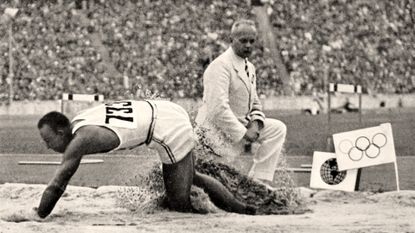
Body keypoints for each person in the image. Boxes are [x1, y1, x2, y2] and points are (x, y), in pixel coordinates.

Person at [22, 99, 256, 220]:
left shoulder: (79, 141)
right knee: (191, 176)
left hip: (166, 128)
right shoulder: (81, 119)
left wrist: (38, 214)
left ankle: (225, 215)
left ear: (61, 132)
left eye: (48, 139)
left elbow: (58, 184)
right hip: (165, 110)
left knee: (179, 204)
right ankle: (242, 210)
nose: (47, 145)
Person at [195, 19, 287, 188]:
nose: (248, 45)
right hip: (214, 135)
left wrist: (256, 123)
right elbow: (217, 110)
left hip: (240, 127)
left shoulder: (250, 67)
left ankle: (259, 182)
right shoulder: (220, 66)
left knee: (277, 129)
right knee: (216, 186)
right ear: (231, 40)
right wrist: (244, 133)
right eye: (243, 40)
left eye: (252, 41)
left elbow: (255, 101)